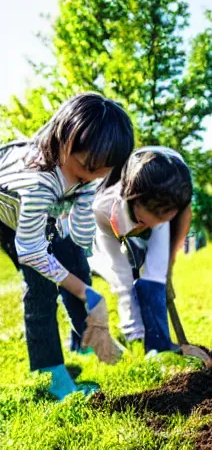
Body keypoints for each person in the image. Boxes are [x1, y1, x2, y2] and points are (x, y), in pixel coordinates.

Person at [0, 93, 134, 400]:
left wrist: (83, 278)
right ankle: (51, 377)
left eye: (100, 172)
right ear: (62, 140)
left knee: (72, 261)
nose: (90, 179)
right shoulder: (37, 184)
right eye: (84, 169)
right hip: (8, 211)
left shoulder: (88, 171)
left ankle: (89, 337)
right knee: (42, 290)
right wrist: (83, 291)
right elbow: (32, 253)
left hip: (44, 213)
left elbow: (80, 228)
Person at [89, 146, 192, 356]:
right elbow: (120, 274)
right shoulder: (102, 208)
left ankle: (159, 343)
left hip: (164, 185)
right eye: (147, 220)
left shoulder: (172, 198)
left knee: (155, 273)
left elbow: (156, 271)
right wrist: (135, 332)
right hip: (112, 219)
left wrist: (169, 262)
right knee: (124, 276)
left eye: (165, 217)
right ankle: (135, 336)